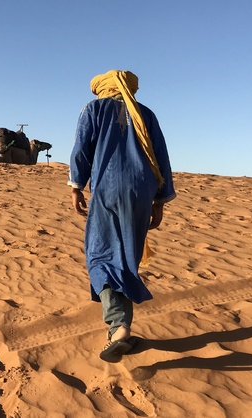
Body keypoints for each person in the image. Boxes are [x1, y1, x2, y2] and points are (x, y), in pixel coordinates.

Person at [68, 70, 175, 362]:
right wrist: (160, 203)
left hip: (107, 191)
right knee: (127, 258)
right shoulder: (147, 114)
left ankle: (118, 327)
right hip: (142, 193)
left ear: (102, 88)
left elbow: (81, 150)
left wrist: (76, 187)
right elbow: (161, 158)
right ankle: (120, 327)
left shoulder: (93, 109)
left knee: (100, 256)